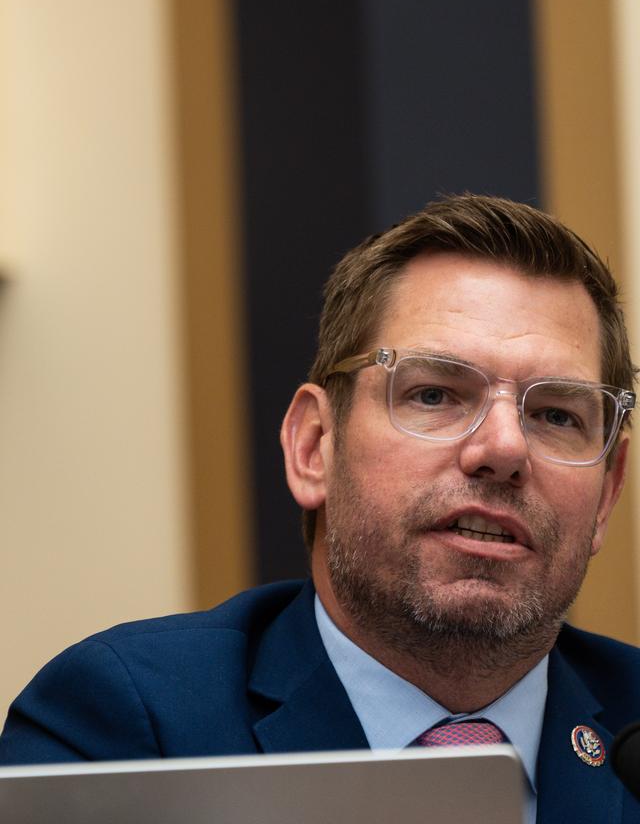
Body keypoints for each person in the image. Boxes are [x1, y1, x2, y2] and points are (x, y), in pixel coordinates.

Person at [1, 194, 639, 823]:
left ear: (608, 491)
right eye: (436, 394)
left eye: (557, 414)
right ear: (313, 448)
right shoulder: (131, 725)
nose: (503, 448)